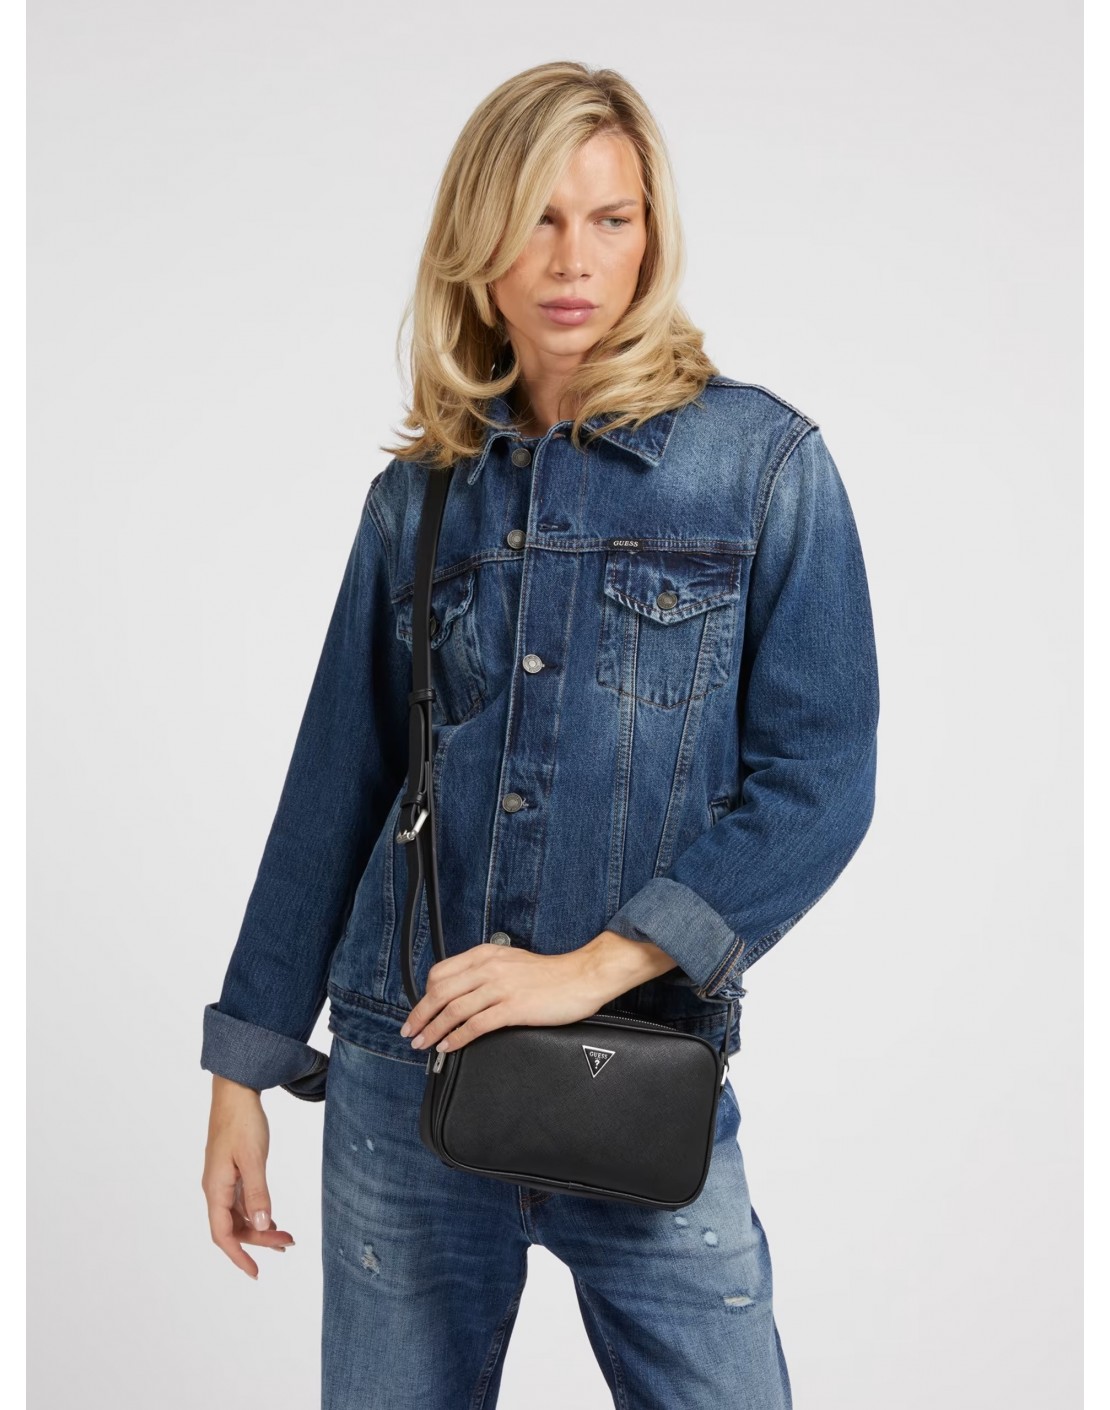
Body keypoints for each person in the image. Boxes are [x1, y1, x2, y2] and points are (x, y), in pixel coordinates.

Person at [199, 59, 879, 1410]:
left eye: (610, 218)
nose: (574, 260)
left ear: (651, 234)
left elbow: (819, 782)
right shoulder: (419, 498)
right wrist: (242, 1069)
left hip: (639, 1069)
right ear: (478, 242)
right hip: (404, 1074)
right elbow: (336, 784)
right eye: (538, 220)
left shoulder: (762, 468)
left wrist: (592, 969)